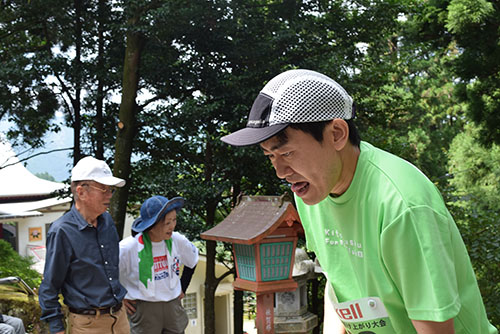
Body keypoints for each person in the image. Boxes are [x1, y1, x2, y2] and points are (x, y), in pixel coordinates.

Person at [221, 69, 497, 334]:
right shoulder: (309, 191)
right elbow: (338, 282)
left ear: (337, 134)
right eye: (270, 156)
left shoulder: (400, 205)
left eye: (288, 153)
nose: (280, 172)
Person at [38, 156, 130, 334]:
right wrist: (57, 328)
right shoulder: (62, 231)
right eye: (103, 189)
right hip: (87, 324)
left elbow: (111, 270)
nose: (109, 195)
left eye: (111, 190)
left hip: (120, 318)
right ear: (81, 192)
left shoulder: (107, 221)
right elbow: (49, 287)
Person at [119, 195, 199, 334]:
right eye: (167, 223)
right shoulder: (128, 247)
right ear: (151, 226)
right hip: (144, 309)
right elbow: (108, 274)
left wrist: (183, 288)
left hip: (172, 306)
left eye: (174, 220)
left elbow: (192, 261)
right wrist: (119, 298)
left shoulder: (177, 240)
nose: (172, 226)